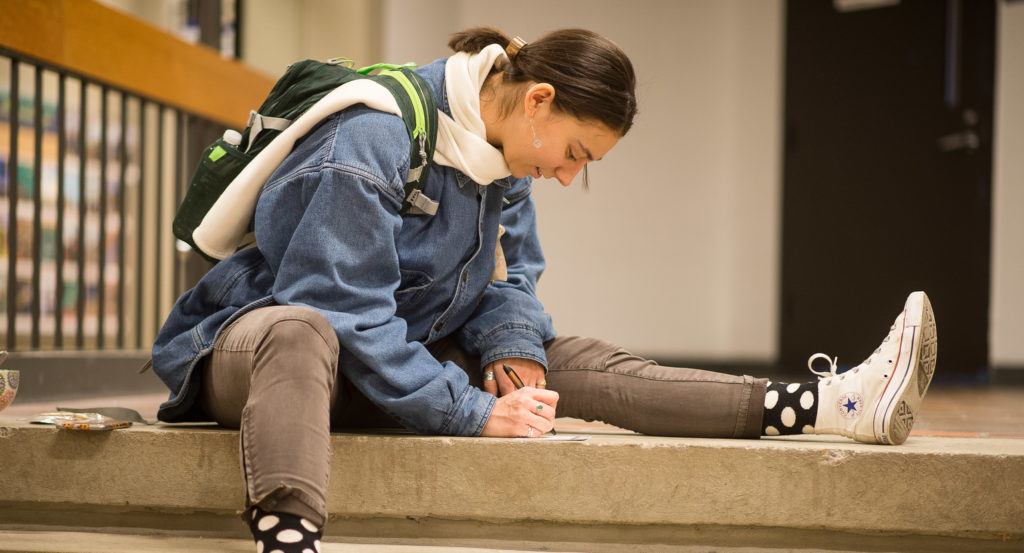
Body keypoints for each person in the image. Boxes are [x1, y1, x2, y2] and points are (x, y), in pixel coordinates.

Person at [151, 27, 938, 553]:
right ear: (537, 102)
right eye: (574, 153)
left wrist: (514, 349)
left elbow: (516, 277)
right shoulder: (374, 134)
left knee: (564, 356)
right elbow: (343, 310)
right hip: (264, 359)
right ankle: (289, 537)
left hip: (389, 361)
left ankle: (833, 404)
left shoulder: (502, 159)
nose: (567, 174)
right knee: (301, 332)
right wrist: (471, 411)